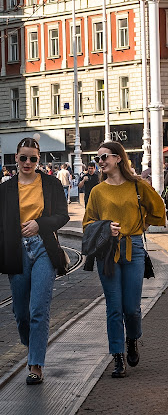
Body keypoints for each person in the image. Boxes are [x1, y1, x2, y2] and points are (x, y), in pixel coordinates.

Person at [0, 137, 69, 385]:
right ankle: (33, 343)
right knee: (22, 313)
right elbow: (0, 227)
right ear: (16, 158)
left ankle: (35, 365)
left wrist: (39, 224)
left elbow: (62, 216)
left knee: (38, 310)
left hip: (44, 248)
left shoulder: (52, 184)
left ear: (39, 159)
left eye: (33, 158)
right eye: (23, 157)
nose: (28, 162)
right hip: (16, 251)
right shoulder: (6, 188)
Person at [82, 141, 166, 378]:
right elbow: (87, 224)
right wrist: (106, 229)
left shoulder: (138, 185)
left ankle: (132, 339)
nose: (100, 162)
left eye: (104, 157)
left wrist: (140, 226)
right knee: (113, 307)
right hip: (107, 253)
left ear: (118, 158)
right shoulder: (98, 191)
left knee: (131, 308)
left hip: (134, 248)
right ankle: (117, 356)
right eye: (98, 159)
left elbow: (158, 210)